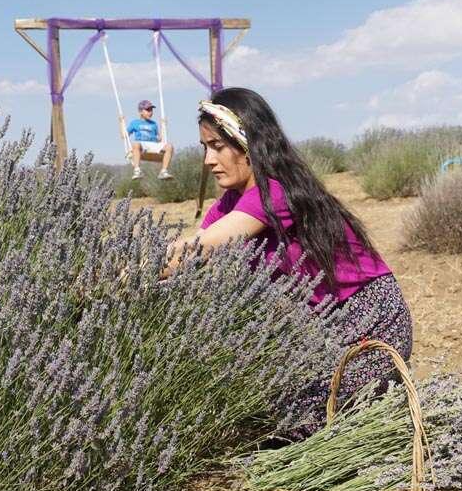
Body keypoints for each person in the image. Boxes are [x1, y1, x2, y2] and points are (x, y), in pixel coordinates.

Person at [164, 87, 413, 439]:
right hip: (322, 327)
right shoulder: (230, 203)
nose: (208, 160)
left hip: (370, 319)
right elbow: (191, 248)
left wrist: (117, 272)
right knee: (273, 418)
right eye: (205, 147)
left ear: (248, 144)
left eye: (218, 146)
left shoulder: (276, 193)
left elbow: (197, 251)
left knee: (298, 427)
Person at [125, 99, 175, 180]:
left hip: (153, 144)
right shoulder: (135, 123)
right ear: (141, 112)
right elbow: (124, 135)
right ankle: (137, 170)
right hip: (142, 144)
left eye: (151, 110)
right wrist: (121, 122)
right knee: (135, 144)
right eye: (147, 110)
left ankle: (164, 171)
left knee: (169, 146)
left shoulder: (153, 124)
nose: (150, 112)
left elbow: (159, 139)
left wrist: (163, 126)